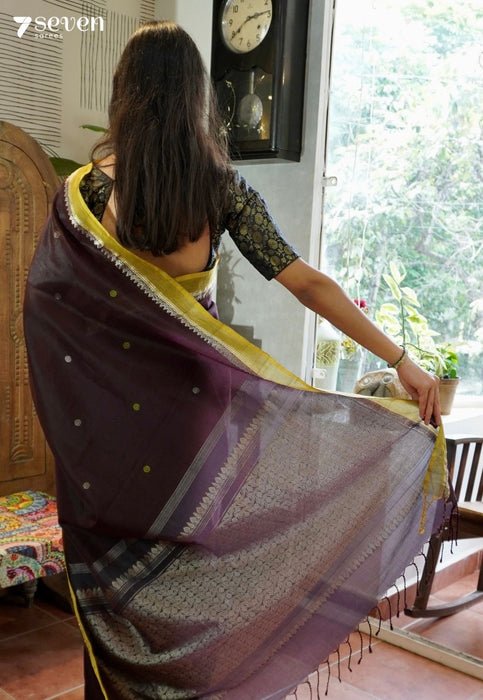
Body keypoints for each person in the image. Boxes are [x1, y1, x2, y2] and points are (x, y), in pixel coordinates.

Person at [24, 21, 446, 700]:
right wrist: (401, 360)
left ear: (126, 93)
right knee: (190, 573)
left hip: (111, 426)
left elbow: (49, 301)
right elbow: (306, 282)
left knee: (123, 578)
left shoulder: (88, 194)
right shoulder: (219, 190)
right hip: (197, 414)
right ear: (196, 94)